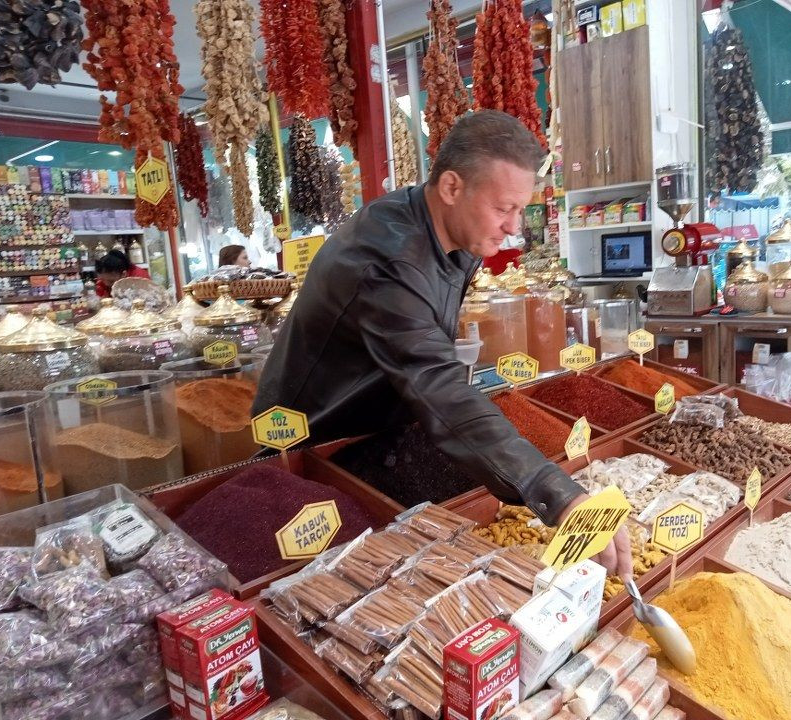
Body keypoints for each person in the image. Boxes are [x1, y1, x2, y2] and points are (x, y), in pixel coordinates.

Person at [254, 111, 632, 576]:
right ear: (452, 187)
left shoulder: (448, 230)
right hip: (317, 441)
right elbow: (436, 384)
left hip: (383, 423)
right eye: (504, 208)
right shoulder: (388, 262)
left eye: (519, 209)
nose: (514, 228)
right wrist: (553, 491)